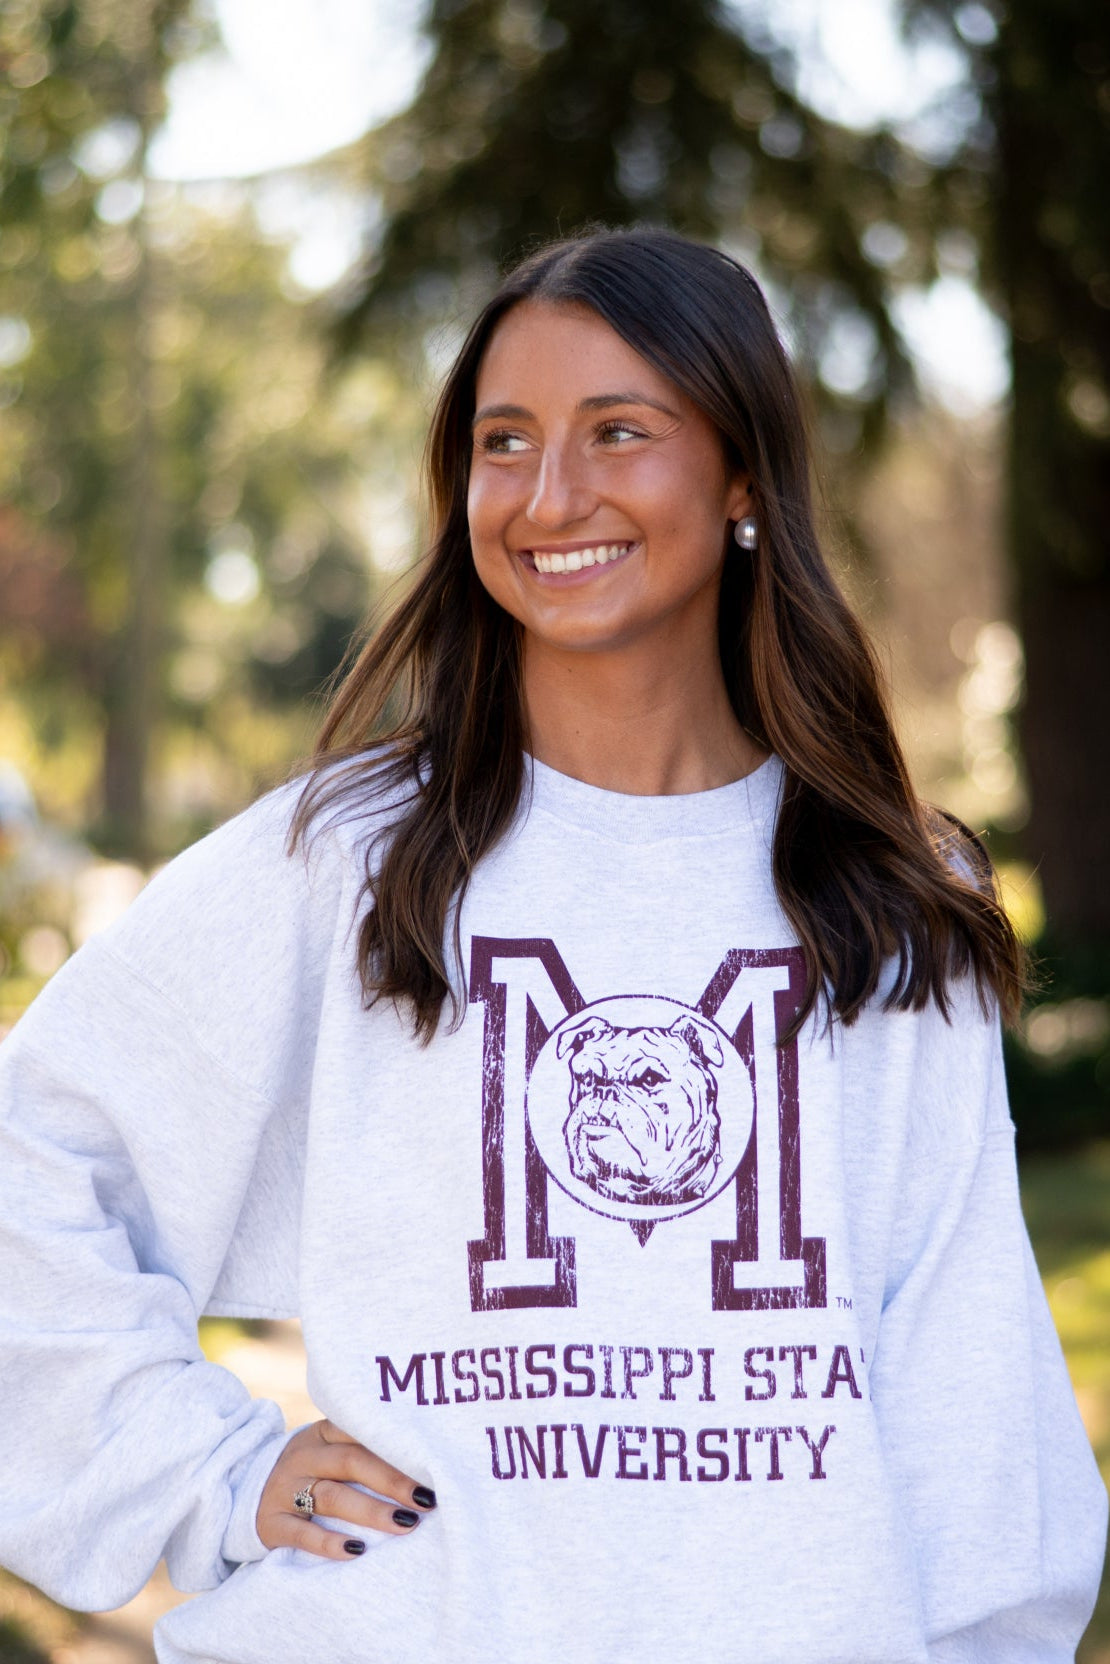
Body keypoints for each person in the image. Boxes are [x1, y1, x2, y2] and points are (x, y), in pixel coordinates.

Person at [0, 226, 1105, 1664]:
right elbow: (32, 1159)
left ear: (742, 478)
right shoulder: (352, 859)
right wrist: (199, 1469)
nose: (547, 495)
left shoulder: (888, 885)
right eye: (502, 442)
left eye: (618, 432)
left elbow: (964, 1385)